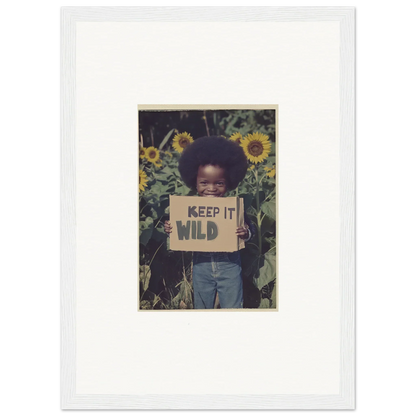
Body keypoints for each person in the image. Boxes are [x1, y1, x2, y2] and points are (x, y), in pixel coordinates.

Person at [164, 136, 255, 309]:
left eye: (219, 183)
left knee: (233, 306)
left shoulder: (234, 208)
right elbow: (182, 230)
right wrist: (170, 229)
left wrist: (246, 232)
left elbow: (251, 228)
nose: (211, 188)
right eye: (204, 183)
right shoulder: (189, 209)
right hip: (201, 267)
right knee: (202, 306)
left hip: (230, 267)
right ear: (194, 182)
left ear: (228, 183)